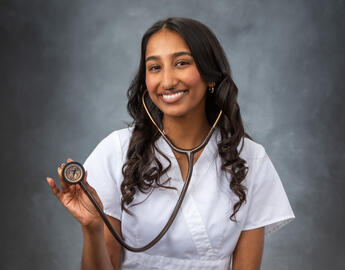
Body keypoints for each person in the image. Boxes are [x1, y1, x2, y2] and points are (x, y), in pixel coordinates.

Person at [46, 17, 295, 270]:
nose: (167, 82)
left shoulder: (250, 159)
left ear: (210, 76)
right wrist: (92, 229)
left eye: (182, 63)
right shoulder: (116, 151)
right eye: (154, 68)